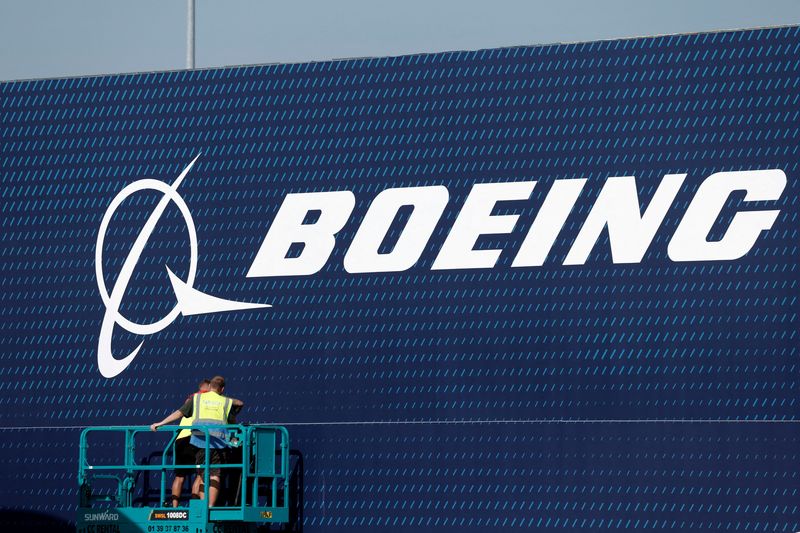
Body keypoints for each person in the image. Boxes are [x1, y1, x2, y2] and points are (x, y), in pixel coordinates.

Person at [151, 376, 243, 507]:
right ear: (222, 389)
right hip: (219, 443)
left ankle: (200, 507)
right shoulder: (225, 401)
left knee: (203, 475)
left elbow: (179, 413)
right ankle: (210, 506)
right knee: (215, 475)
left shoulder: (197, 399)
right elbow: (238, 407)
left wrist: (160, 423)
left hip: (200, 441)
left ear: (210, 386)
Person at [168, 379, 210, 507]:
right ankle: (195, 507)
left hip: (180, 439)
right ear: (208, 388)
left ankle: (174, 508)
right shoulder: (207, 401)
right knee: (200, 475)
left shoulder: (191, 399)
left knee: (179, 476)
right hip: (195, 438)